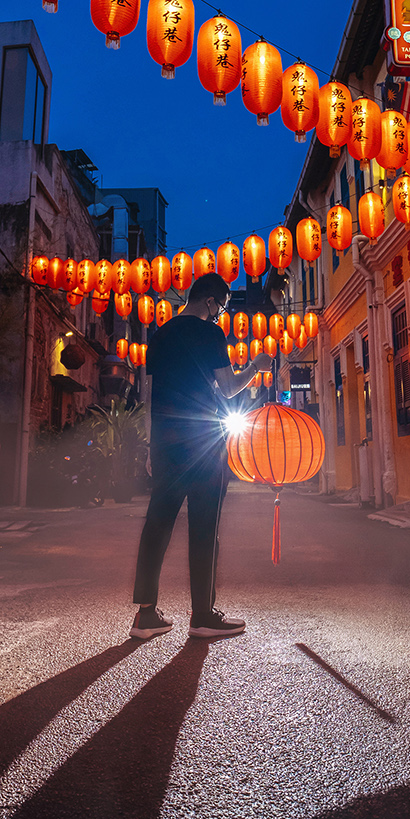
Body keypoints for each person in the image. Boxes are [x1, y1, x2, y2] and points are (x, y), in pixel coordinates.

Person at [130, 271, 274, 640]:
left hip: (166, 443)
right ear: (210, 301)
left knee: (157, 523)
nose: (220, 314)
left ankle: (145, 615)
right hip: (202, 443)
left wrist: (151, 447)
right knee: (205, 526)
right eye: (221, 307)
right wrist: (255, 367)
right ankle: (203, 615)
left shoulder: (159, 335)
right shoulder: (210, 333)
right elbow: (228, 388)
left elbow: (149, 397)